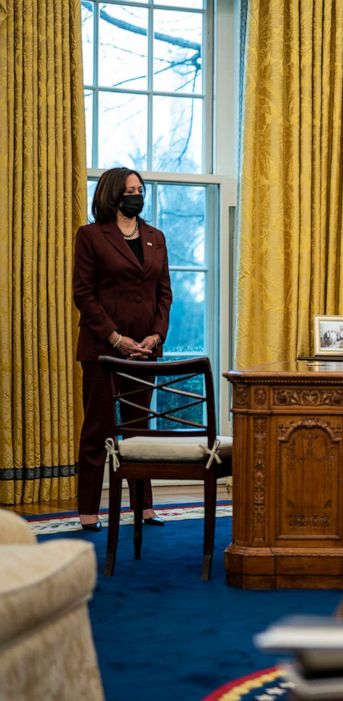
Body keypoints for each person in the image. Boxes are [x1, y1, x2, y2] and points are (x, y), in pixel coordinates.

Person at [72, 167, 173, 532]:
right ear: (114, 194)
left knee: (139, 430)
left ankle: (144, 507)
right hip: (103, 349)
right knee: (98, 429)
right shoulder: (90, 236)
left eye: (140, 189)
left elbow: (164, 293)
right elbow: (83, 294)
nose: (137, 194)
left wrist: (156, 336)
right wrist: (115, 338)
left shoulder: (155, 237)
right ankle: (88, 510)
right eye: (130, 189)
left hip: (145, 350)